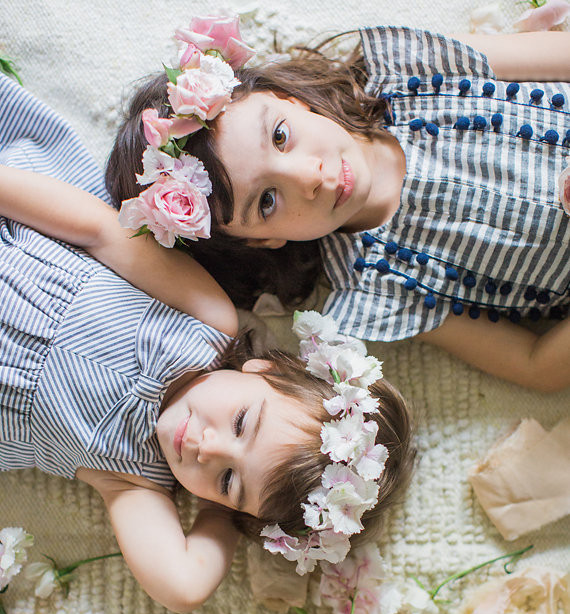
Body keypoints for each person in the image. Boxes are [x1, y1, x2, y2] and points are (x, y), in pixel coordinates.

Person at [0, 72, 415, 612]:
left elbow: (185, 588)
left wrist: (227, 513)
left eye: (226, 479)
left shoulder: (134, 481)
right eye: (242, 424)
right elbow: (96, 229)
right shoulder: (207, 317)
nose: (207, 447)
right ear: (262, 372)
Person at [107, 18, 570, 392]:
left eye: (280, 136)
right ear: (265, 240)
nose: (310, 177)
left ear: (285, 98)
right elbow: (534, 365)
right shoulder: (378, 287)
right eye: (267, 201)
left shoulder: (412, 71)